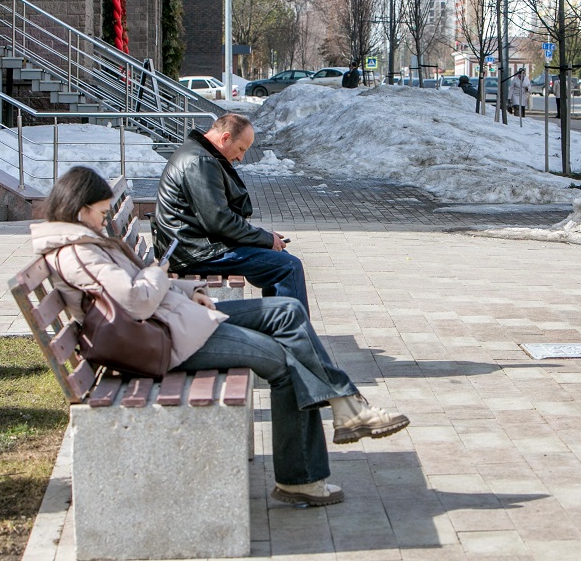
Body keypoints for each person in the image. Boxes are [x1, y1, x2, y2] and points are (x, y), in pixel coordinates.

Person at [31, 167, 410, 507]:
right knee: (284, 362)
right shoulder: (77, 253)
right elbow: (138, 299)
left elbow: (137, 290)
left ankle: (343, 411)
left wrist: (186, 289)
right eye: (100, 212)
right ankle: (308, 468)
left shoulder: (85, 244)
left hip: (173, 323)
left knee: (287, 312)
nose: (104, 219)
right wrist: (161, 272)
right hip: (160, 344)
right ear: (81, 211)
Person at [155, 113, 309, 314]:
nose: (240, 157)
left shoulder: (199, 154)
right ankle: (294, 338)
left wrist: (262, 238)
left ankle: (281, 330)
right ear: (225, 138)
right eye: (241, 149)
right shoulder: (200, 161)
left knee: (280, 258)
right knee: (287, 266)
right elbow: (219, 221)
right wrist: (263, 238)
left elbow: (217, 218)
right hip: (194, 253)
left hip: (192, 245)